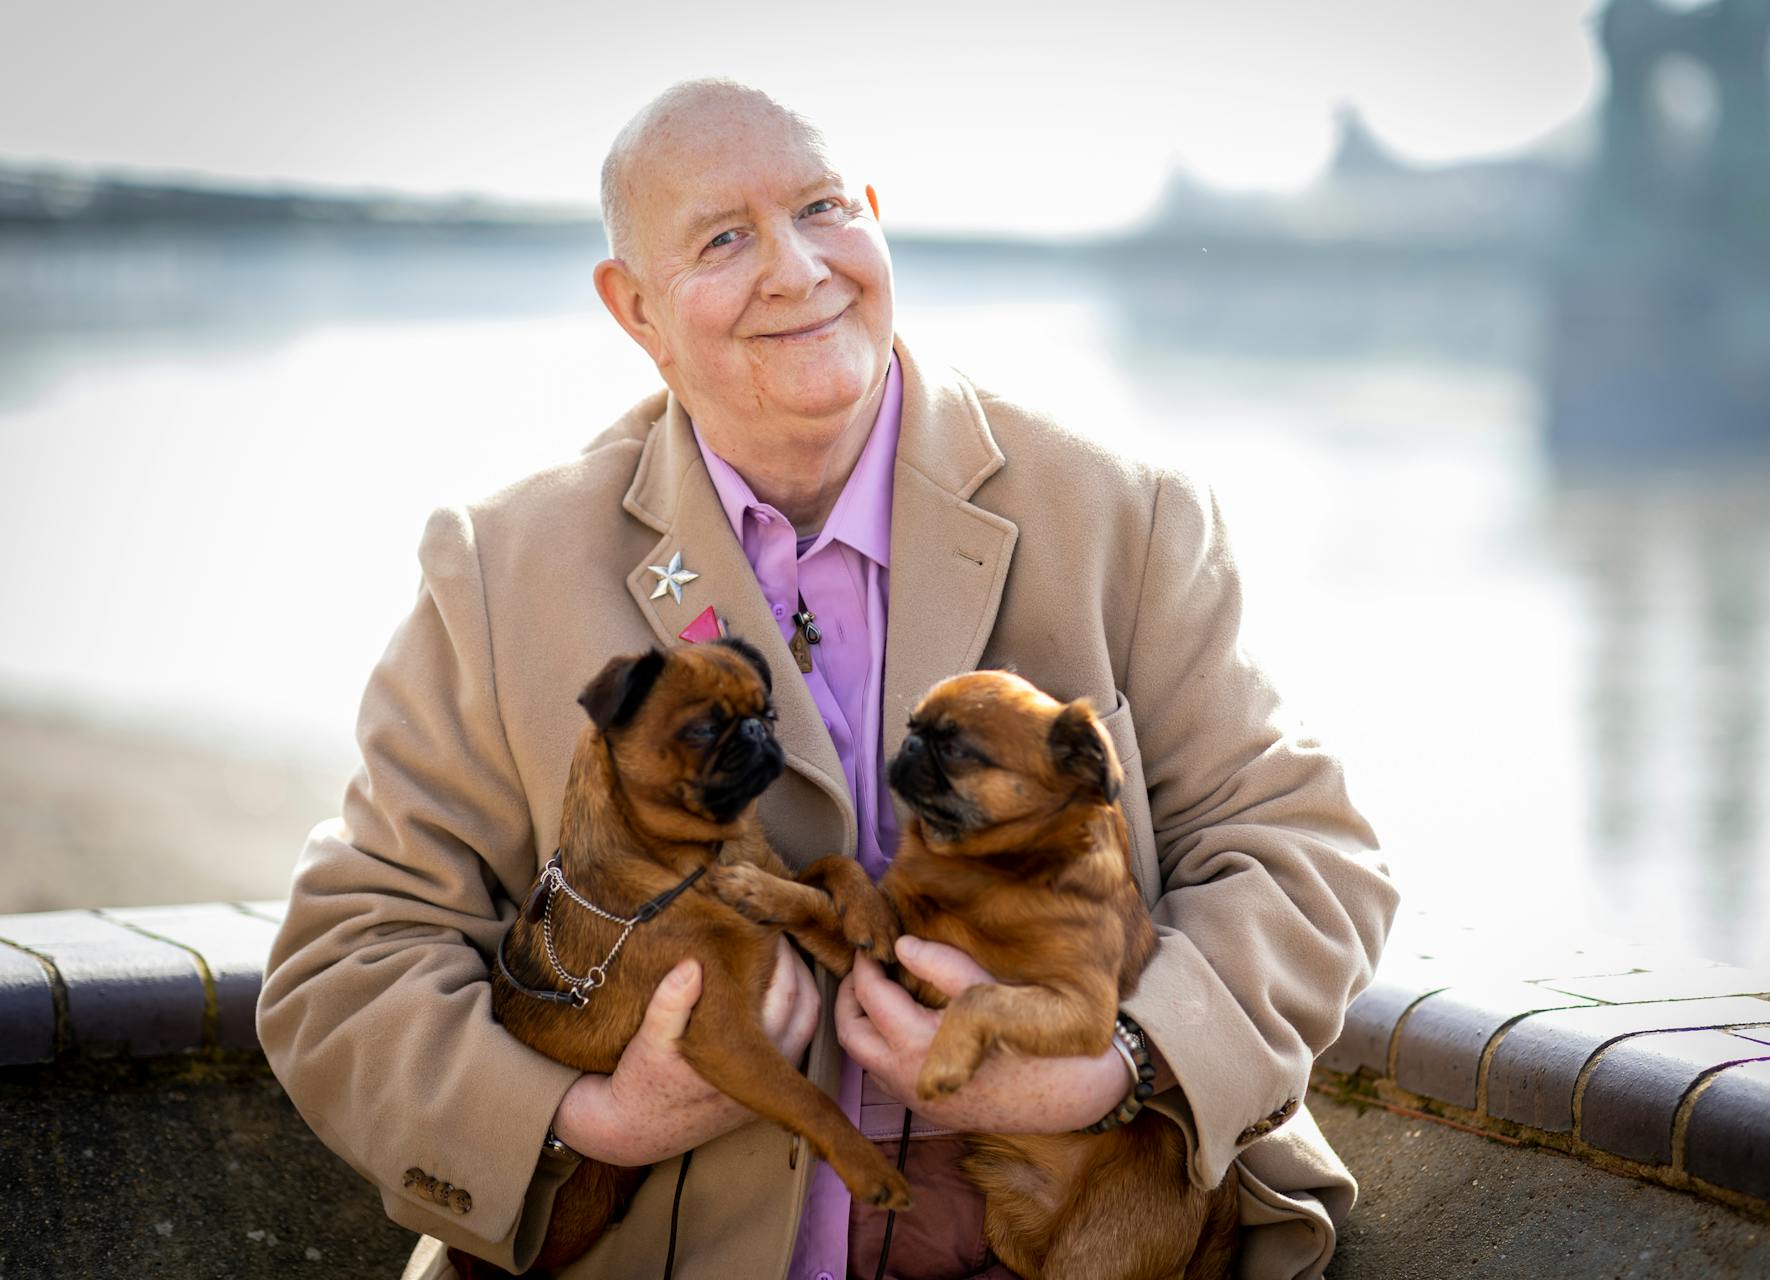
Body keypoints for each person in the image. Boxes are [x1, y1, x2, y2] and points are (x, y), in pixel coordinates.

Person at [257, 79, 1397, 1280]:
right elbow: (352, 954)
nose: (798, 269)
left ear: (874, 217)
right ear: (634, 307)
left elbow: (1308, 850)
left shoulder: (1127, 512)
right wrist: (597, 1117)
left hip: (1090, 1232)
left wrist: (1116, 1063)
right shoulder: (501, 569)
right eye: (725, 238)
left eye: (820, 208)